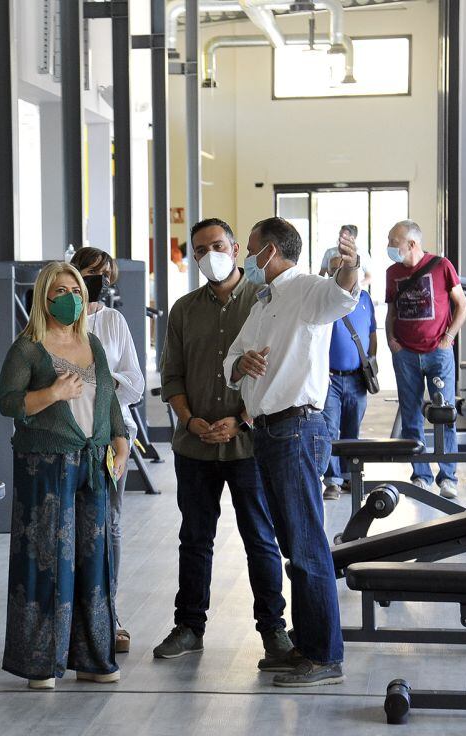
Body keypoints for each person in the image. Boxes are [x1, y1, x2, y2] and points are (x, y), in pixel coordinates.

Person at [226, 216, 360, 687]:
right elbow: (232, 357)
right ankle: (306, 646)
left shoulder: (308, 288)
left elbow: (342, 295)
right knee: (292, 544)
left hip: (298, 428)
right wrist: (239, 363)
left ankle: (325, 657)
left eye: (251, 248)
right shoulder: (263, 301)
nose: (245, 256)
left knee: (305, 545)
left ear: (272, 251)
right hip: (267, 430)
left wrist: (350, 266)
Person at [154, 218, 290, 673]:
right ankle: (189, 627)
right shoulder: (183, 310)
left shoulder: (265, 301)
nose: (208, 254)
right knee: (195, 538)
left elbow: (276, 371)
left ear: (235, 249)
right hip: (194, 447)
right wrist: (190, 420)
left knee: (260, 538)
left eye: (217, 245)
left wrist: (243, 418)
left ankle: (274, 630)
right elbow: (171, 376)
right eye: (199, 249)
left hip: (250, 445)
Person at [0, 261, 130, 690]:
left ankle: (93, 657)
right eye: (59, 290)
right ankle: (41, 663)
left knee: (97, 561)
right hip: (46, 463)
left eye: (74, 288)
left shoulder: (92, 341)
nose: (70, 296)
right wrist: (52, 392)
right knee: (48, 561)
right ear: (43, 298)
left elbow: (108, 398)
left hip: (95, 463)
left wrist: (121, 439)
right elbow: (7, 403)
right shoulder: (28, 347)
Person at [69, 246, 145, 655]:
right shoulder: (48, 322)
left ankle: (107, 614)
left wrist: (97, 380)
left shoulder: (112, 322)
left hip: (112, 437)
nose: (97, 282)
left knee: (108, 528)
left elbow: (133, 384)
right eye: (89, 273)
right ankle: (66, 617)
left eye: (104, 276)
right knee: (63, 528)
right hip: (64, 437)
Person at [385, 219, 466, 499]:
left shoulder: (442, 266)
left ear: (411, 244)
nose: (389, 247)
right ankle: (420, 475)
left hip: (438, 352)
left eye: (393, 242)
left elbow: (462, 305)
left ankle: (448, 478)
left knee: (444, 415)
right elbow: (392, 311)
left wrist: (448, 338)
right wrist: (391, 341)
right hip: (405, 355)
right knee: (411, 416)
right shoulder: (392, 272)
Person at [322, 253, 378, 501]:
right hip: (330, 378)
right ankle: (332, 481)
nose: (340, 273)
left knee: (352, 430)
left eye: (344, 269)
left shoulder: (365, 299)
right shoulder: (323, 299)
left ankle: (348, 478)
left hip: (357, 378)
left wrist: (371, 361)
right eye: (335, 269)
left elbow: (372, 333)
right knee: (330, 429)